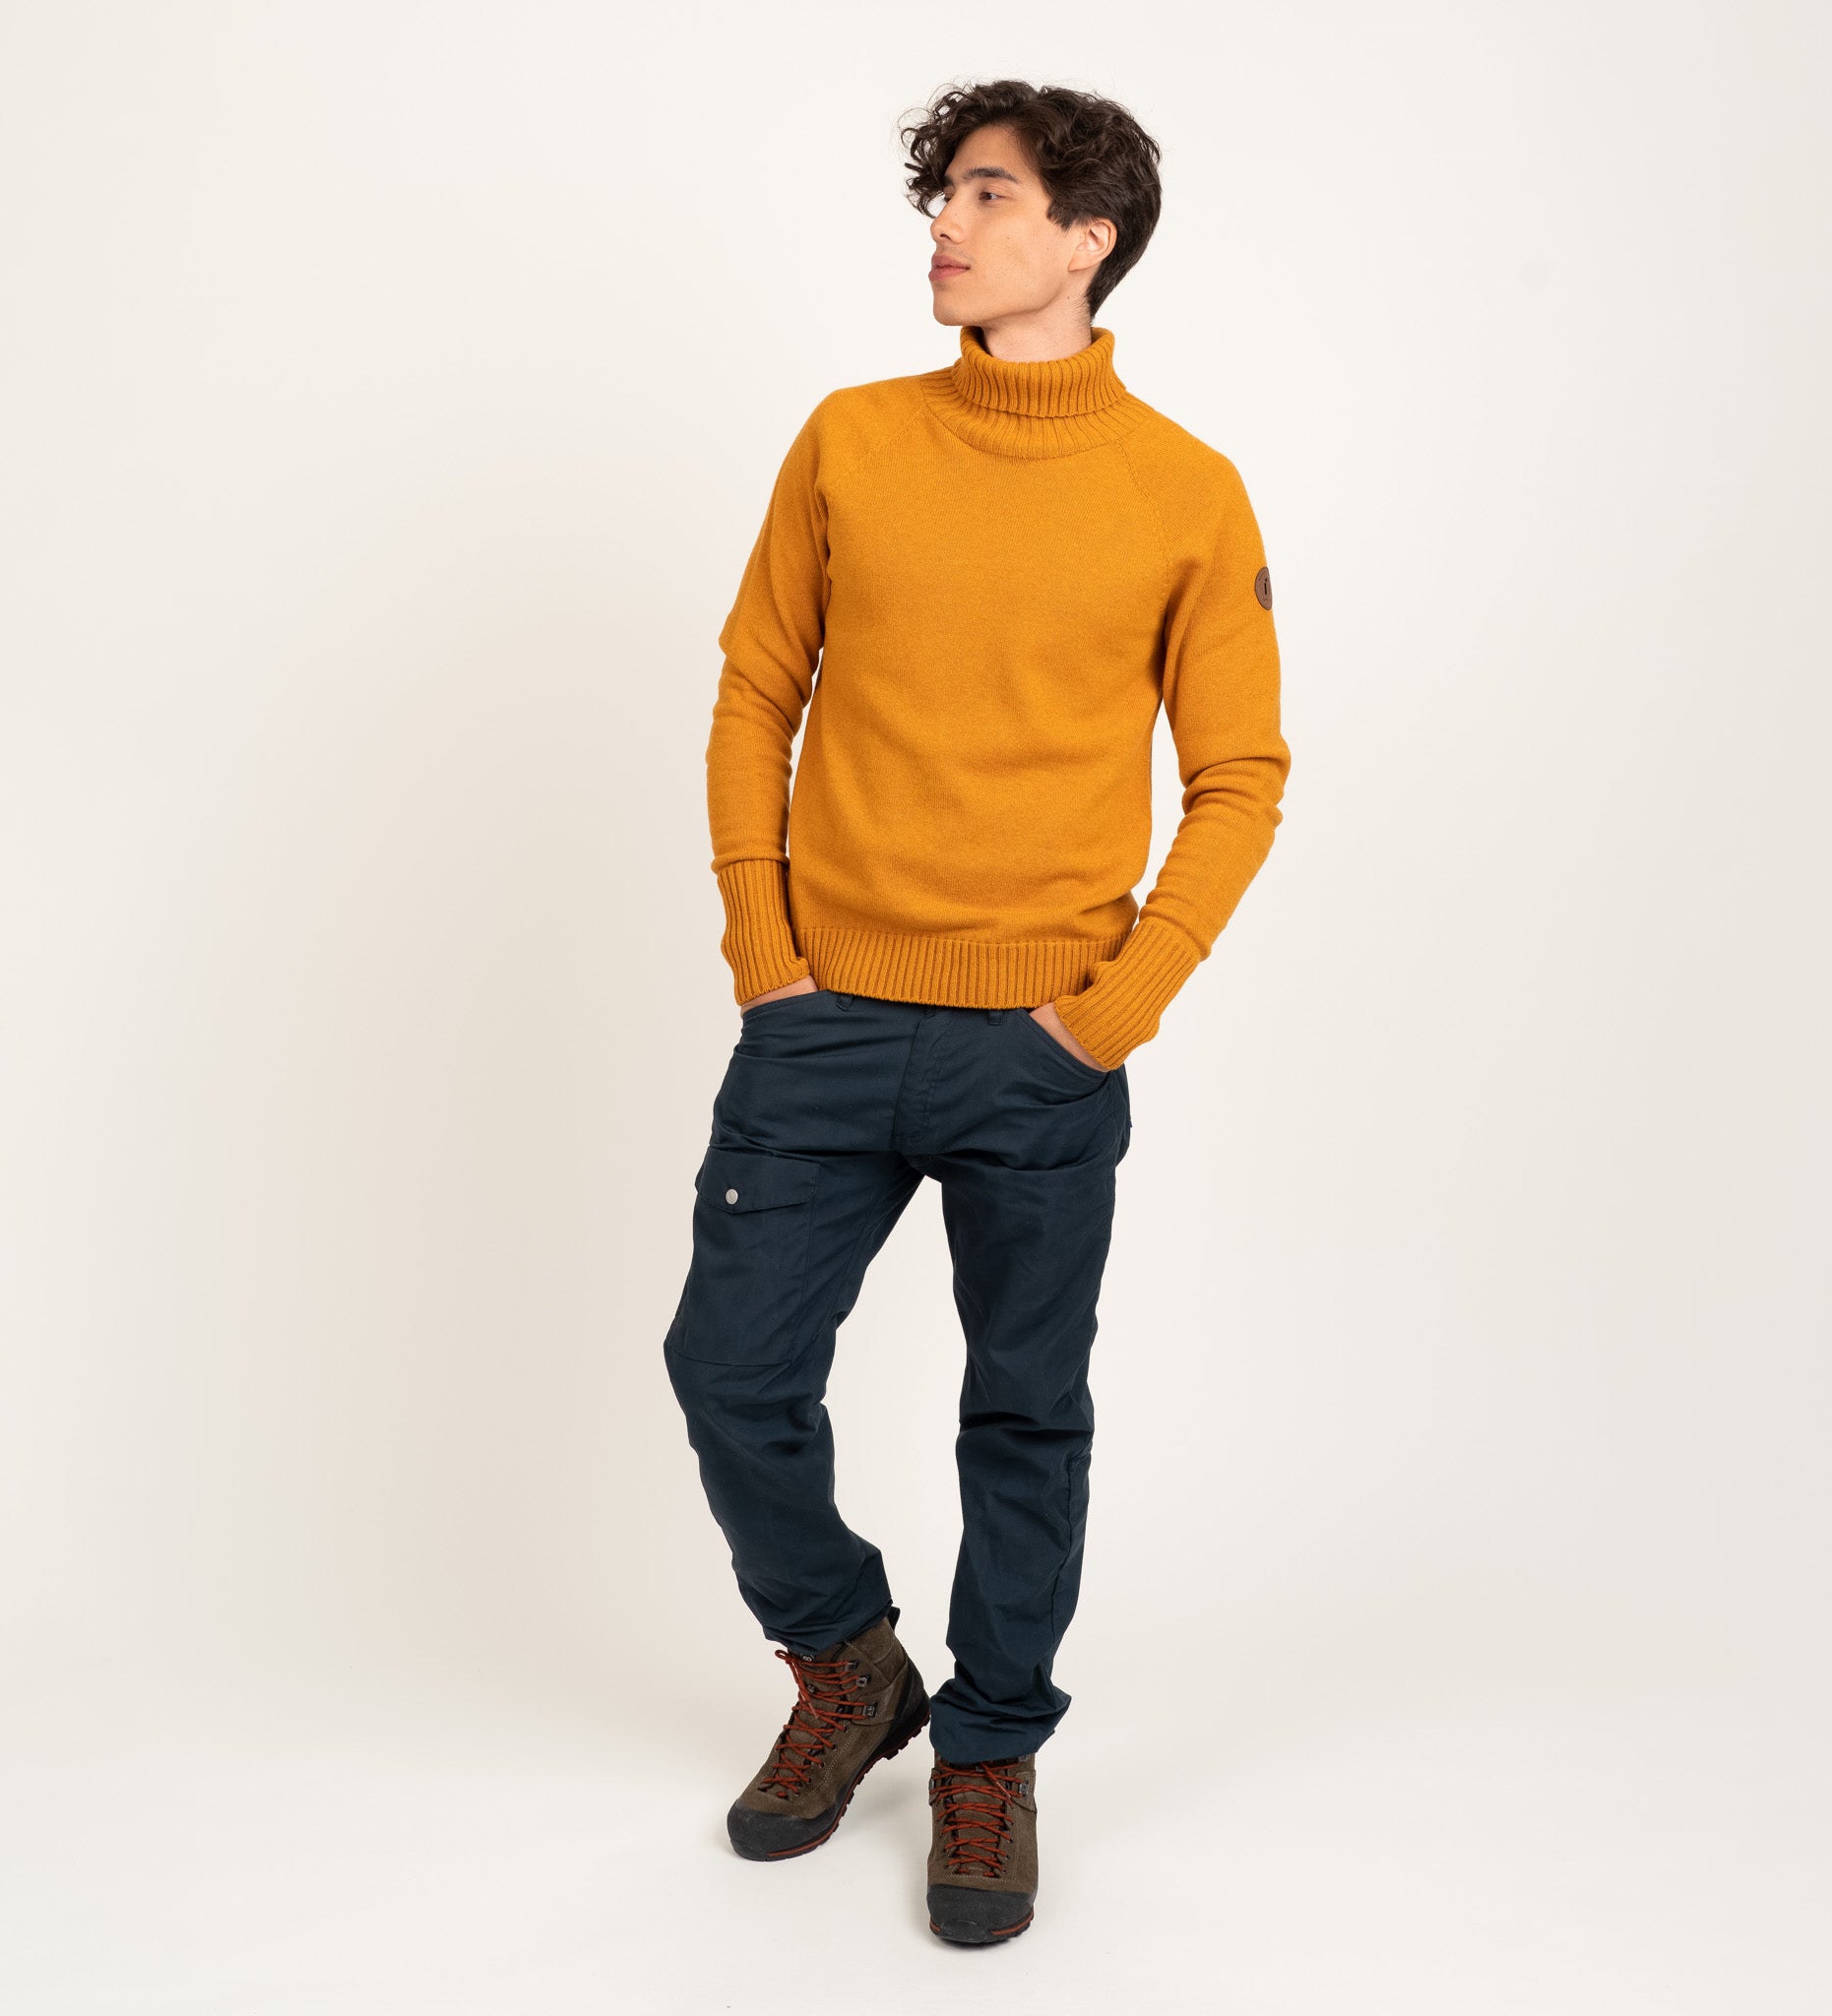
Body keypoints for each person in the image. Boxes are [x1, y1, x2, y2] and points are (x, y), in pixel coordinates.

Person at [662, 78, 1290, 1945]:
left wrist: (1113, 1013)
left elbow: (1241, 775)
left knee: (1024, 1414)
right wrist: (765, 948)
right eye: (943, 191)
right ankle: (850, 1665)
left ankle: (991, 1750)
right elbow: (755, 688)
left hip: (1044, 1048)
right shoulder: (853, 439)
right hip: (825, 1022)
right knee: (729, 1371)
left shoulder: (1185, 490)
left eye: (989, 195)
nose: (945, 221)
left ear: (1089, 238)